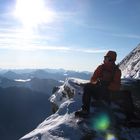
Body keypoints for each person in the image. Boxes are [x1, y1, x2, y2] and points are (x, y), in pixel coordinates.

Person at [76, 50, 135, 120]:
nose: (105, 59)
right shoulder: (101, 68)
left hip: (110, 94)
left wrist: (107, 84)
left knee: (127, 94)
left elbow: (117, 86)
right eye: (105, 57)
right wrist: (99, 81)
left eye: (107, 58)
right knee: (88, 86)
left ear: (112, 60)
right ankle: (85, 110)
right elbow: (92, 79)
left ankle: (131, 117)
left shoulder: (117, 71)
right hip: (99, 91)